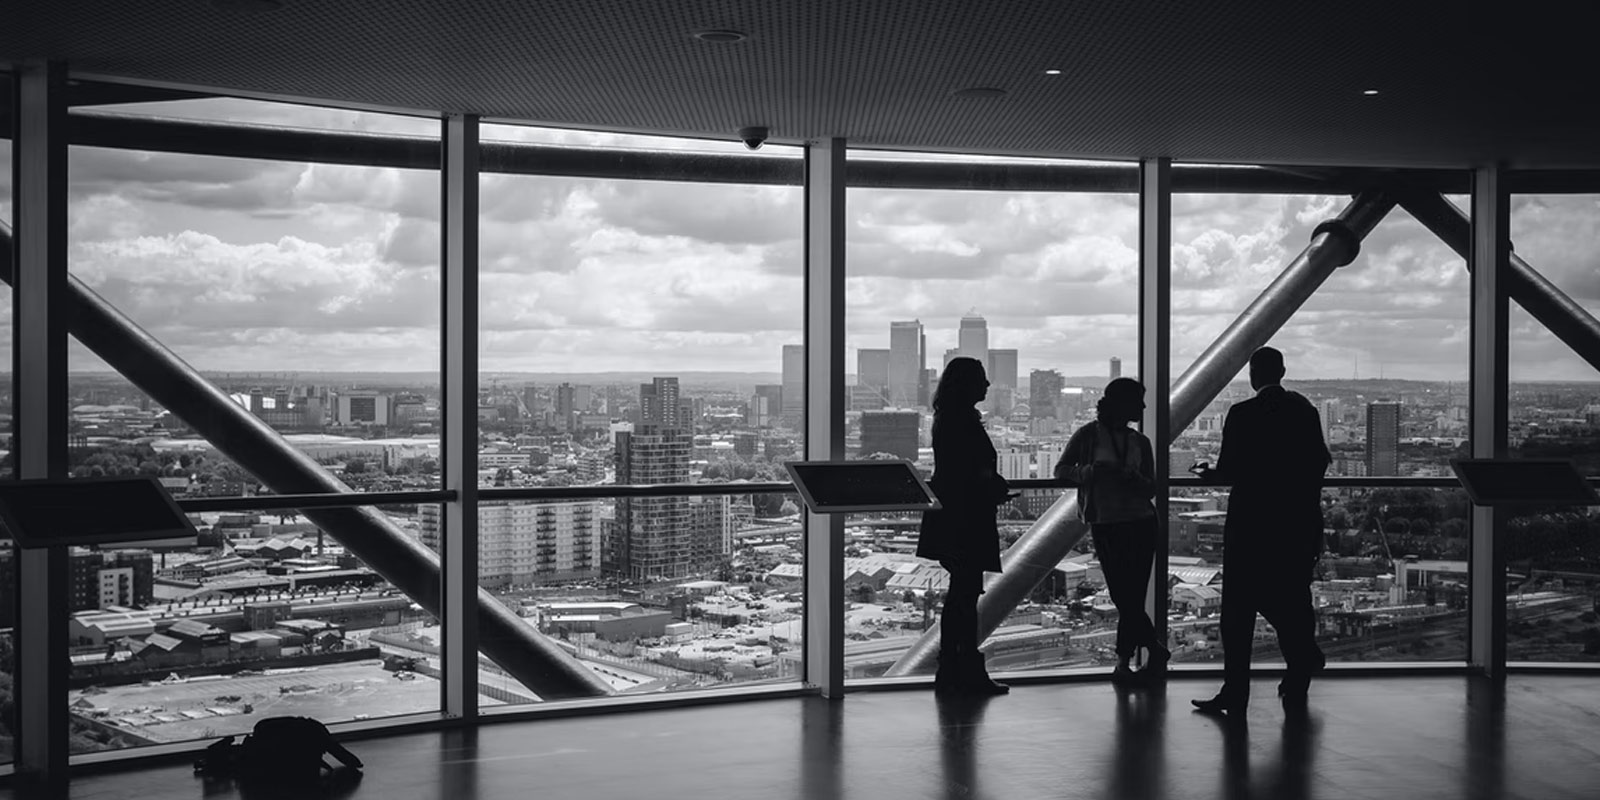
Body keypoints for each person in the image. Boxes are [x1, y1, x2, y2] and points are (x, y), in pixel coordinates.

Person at [1192, 347, 1331, 717]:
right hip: (1295, 524)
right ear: (1283, 371)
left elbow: (1230, 471)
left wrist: (1208, 474)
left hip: (1251, 524)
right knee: (1294, 598)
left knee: (1238, 612)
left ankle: (1236, 692)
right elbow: (1319, 463)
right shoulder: (1305, 412)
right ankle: (1300, 668)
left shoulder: (1242, 414)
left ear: (1253, 376)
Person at [1055, 378, 1169, 685]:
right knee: (1125, 596)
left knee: (1128, 596)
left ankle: (1124, 662)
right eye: (1138, 401)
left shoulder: (1139, 441)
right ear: (1122, 404)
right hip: (1111, 523)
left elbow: (1151, 487)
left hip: (1138, 522)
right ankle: (1152, 651)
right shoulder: (1087, 436)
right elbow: (1061, 470)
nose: (1143, 407)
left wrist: (1131, 478)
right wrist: (1093, 472)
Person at [917, 356, 1012, 696]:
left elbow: (955, 470)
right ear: (968, 384)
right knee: (965, 596)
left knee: (961, 595)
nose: (987, 386)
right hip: (966, 519)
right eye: (982, 379)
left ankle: (953, 669)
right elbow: (967, 472)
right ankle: (964, 670)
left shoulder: (948, 418)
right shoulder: (962, 421)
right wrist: (992, 487)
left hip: (954, 517)